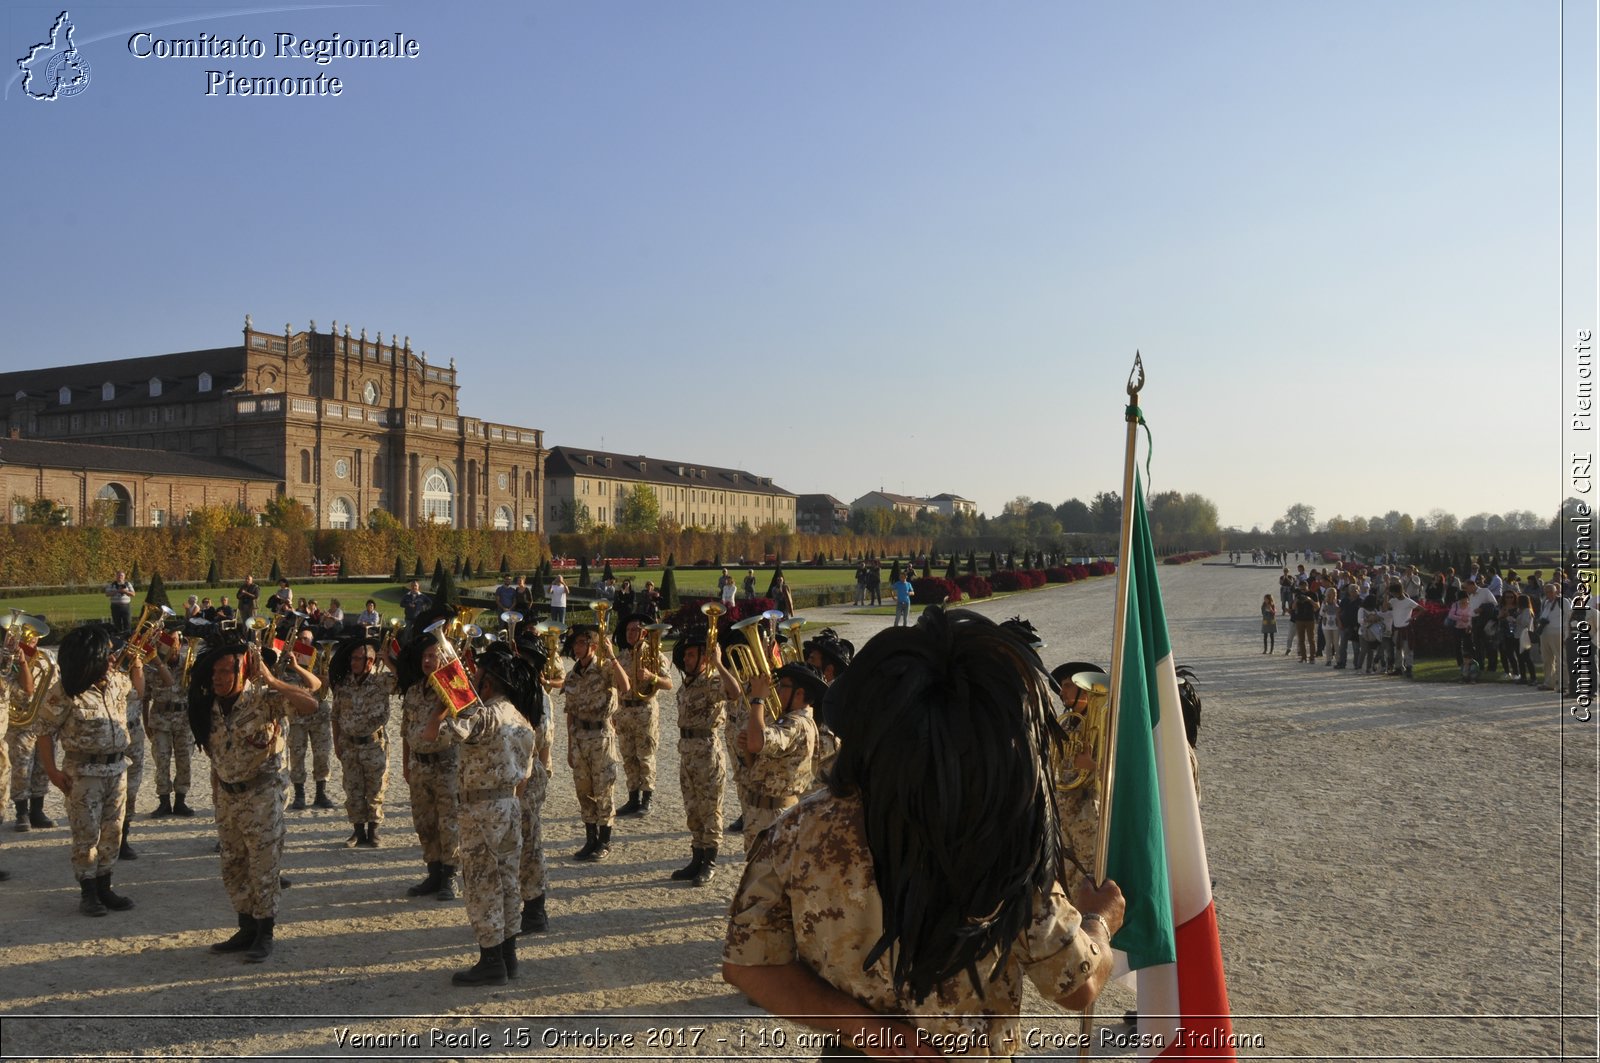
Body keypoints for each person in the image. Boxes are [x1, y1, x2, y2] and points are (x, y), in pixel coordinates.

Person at [724, 609, 1126, 1053]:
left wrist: (876, 1037)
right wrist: (1100, 920)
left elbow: (749, 966)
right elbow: (1076, 987)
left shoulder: (799, 828)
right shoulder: (1001, 838)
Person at [188, 637, 321, 961]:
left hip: (261, 795)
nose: (217, 678)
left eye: (225, 671)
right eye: (215, 671)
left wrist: (273, 679)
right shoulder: (209, 706)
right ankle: (246, 927)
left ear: (243, 671)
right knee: (234, 866)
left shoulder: (265, 700)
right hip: (228, 797)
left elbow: (310, 705)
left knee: (263, 866)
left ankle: (265, 932)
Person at [419, 644, 536, 987]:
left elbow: (431, 737)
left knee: (482, 885)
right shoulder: (519, 715)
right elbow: (526, 774)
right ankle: (508, 957)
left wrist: (445, 704)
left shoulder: (484, 716)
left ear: (486, 684)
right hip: (509, 807)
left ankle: (490, 962)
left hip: (481, 808)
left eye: (477, 677)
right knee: (507, 883)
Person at [37, 625, 143, 916]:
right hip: (83, 773)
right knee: (86, 834)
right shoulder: (66, 691)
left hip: (117, 769)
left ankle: (105, 886)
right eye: (106, 653)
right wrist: (52, 772)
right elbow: (44, 731)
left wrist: (138, 665)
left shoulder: (118, 682)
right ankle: (88, 892)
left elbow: (138, 692)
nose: (112, 657)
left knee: (113, 830)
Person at [546, 622, 629, 861]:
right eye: (574, 643)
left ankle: (604, 841)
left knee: (603, 789)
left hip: (601, 736)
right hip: (580, 737)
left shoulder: (604, 669)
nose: (576, 647)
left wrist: (612, 656)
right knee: (584, 791)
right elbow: (570, 711)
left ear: (593, 645)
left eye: (581, 642)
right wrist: (570, 745)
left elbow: (625, 686)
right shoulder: (572, 675)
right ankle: (590, 839)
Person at [668, 626, 741, 886]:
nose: (687, 660)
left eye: (691, 655)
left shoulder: (711, 682)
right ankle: (697, 857)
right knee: (693, 808)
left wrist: (718, 664)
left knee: (710, 809)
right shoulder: (686, 685)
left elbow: (734, 693)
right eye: (685, 656)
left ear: (702, 657)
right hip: (687, 751)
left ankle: (710, 862)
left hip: (707, 752)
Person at [396, 630, 461, 902]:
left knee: (449, 822)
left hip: (446, 765)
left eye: (433, 656)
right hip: (419, 766)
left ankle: (450, 876)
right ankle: (433, 872)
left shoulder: (454, 689)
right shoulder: (413, 691)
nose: (427, 661)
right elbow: (406, 730)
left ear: (443, 658)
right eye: (424, 656)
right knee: (424, 822)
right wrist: (406, 764)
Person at [736, 661, 823, 852]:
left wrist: (758, 698)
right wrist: (748, 750)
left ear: (799, 693)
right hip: (763, 813)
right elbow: (756, 763)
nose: (776, 690)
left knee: (770, 878)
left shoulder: (796, 723)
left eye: (783, 686)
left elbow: (757, 742)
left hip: (774, 815)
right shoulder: (787, 720)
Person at [330, 634, 396, 848]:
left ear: (370, 661)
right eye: (352, 658)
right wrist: (337, 742)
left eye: (358, 659)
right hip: (349, 745)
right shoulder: (343, 684)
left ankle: (374, 831)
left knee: (376, 789)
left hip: (374, 745)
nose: (353, 662)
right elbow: (335, 715)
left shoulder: (381, 681)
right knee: (353, 789)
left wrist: (389, 662)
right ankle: (357, 831)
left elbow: (405, 682)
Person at [513, 631, 555, 933]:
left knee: (530, 841)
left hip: (528, 774)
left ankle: (535, 907)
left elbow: (543, 741)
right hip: (507, 774)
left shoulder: (540, 698)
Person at [614, 612, 673, 818]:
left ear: (644, 632)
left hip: (644, 709)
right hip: (625, 710)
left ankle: (647, 799)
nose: (631, 634)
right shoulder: (622, 655)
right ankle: (633, 798)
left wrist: (651, 676)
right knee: (628, 756)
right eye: (629, 630)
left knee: (645, 755)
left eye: (636, 630)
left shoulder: (654, 653)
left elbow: (669, 683)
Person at [147, 633, 196, 818]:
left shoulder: (188, 663)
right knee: (161, 760)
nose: (174, 646)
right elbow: (145, 698)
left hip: (184, 718)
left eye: (176, 642)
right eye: (169, 643)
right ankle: (164, 801)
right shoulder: (152, 665)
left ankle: (181, 800)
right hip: (160, 718)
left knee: (185, 760)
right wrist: (146, 724)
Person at [0, 650, 38, 879]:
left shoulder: (4, 676)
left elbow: (28, 690)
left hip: (1, 750)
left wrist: (22, 663)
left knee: (1, 804)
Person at [1538, 583, 1571, 693]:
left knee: (1561, 659)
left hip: (1558, 632)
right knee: (1547, 659)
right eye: (1546, 592)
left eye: (1550, 591)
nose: (1548, 594)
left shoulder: (1563, 601)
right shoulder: (1545, 602)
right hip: (1545, 633)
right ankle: (1549, 683)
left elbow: (1569, 616)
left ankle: (1564, 684)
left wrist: (1566, 633)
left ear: (1556, 591)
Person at [1387, 582, 1419, 678]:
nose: (1392, 594)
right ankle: (1398, 668)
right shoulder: (1393, 601)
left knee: (1407, 649)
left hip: (1406, 628)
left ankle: (1409, 668)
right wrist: (1385, 595)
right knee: (1397, 649)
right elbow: (1385, 608)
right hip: (1397, 628)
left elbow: (1422, 609)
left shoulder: (1408, 601)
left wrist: (1413, 617)